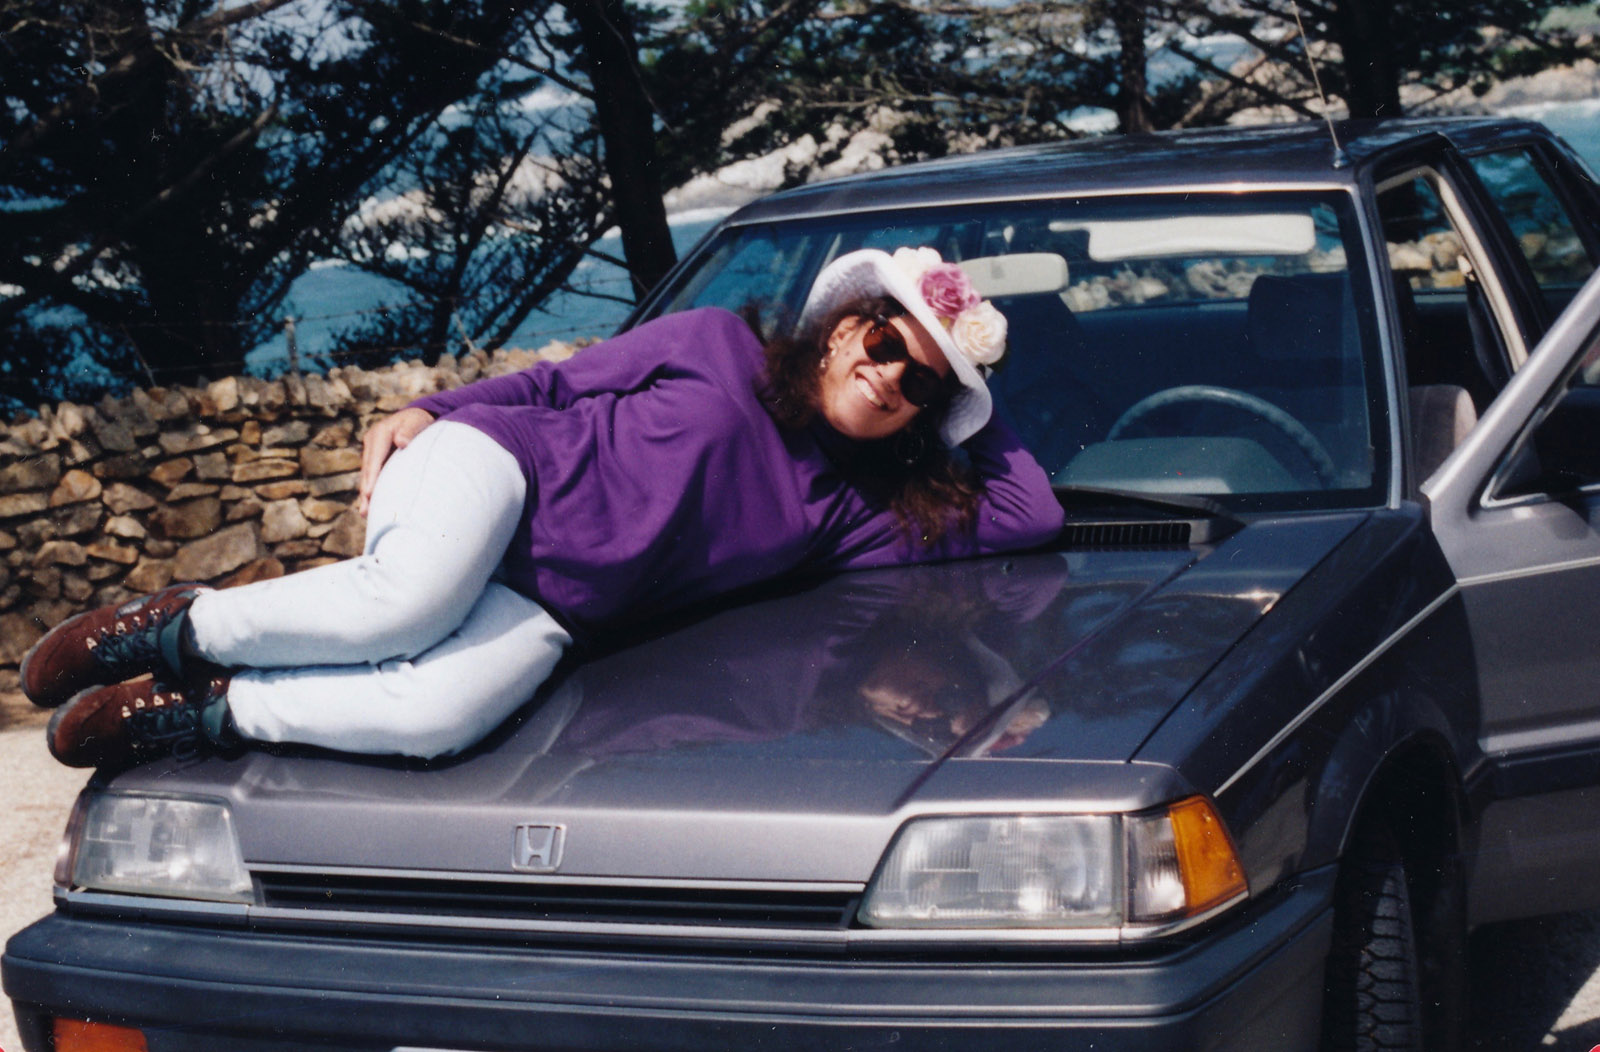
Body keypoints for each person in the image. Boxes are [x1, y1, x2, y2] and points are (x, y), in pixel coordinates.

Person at [23, 246, 1065, 769]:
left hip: (561, 608)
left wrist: (971, 374)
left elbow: (1029, 511)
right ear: (843, 330)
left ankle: (202, 708)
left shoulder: (853, 513)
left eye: (919, 387)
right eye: (886, 345)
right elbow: (559, 382)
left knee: (437, 718)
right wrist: (430, 408)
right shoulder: (716, 345)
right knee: (407, 605)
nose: (891, 381)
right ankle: (163, 626)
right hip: (504, 473)